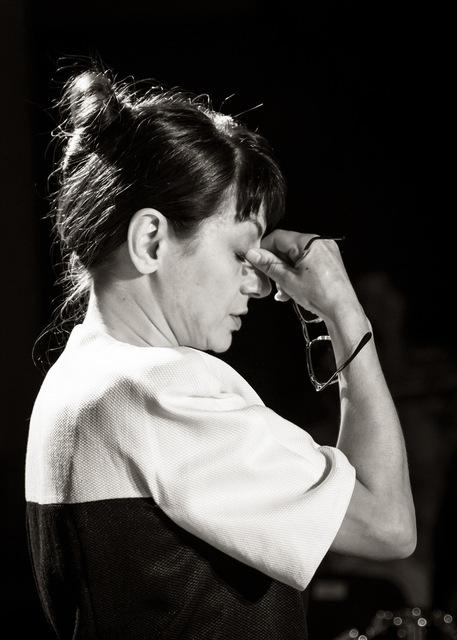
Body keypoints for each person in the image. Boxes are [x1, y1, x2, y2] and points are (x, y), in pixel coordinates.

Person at [25, 64, 416, 640]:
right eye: (240, 253)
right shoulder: (164, 390)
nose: (258, 284)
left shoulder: (73, 383)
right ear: (151, 240)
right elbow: (388, 524)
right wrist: (344, 313)